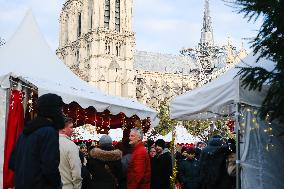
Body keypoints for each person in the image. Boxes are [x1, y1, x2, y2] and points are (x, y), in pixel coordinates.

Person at [9, 93, 64, 189]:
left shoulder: (24, 133)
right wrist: (57, 184)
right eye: (60, 109)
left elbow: (12, 163)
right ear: (53, 110)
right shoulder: (48, 132)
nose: (62, 112)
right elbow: (50, 167)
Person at [59, 117, 82, 189]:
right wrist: (77, 187)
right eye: (71, 127)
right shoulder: (71, 145)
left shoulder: (48, 142)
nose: (73, 130)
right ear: (63, 129)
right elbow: (76, 173)